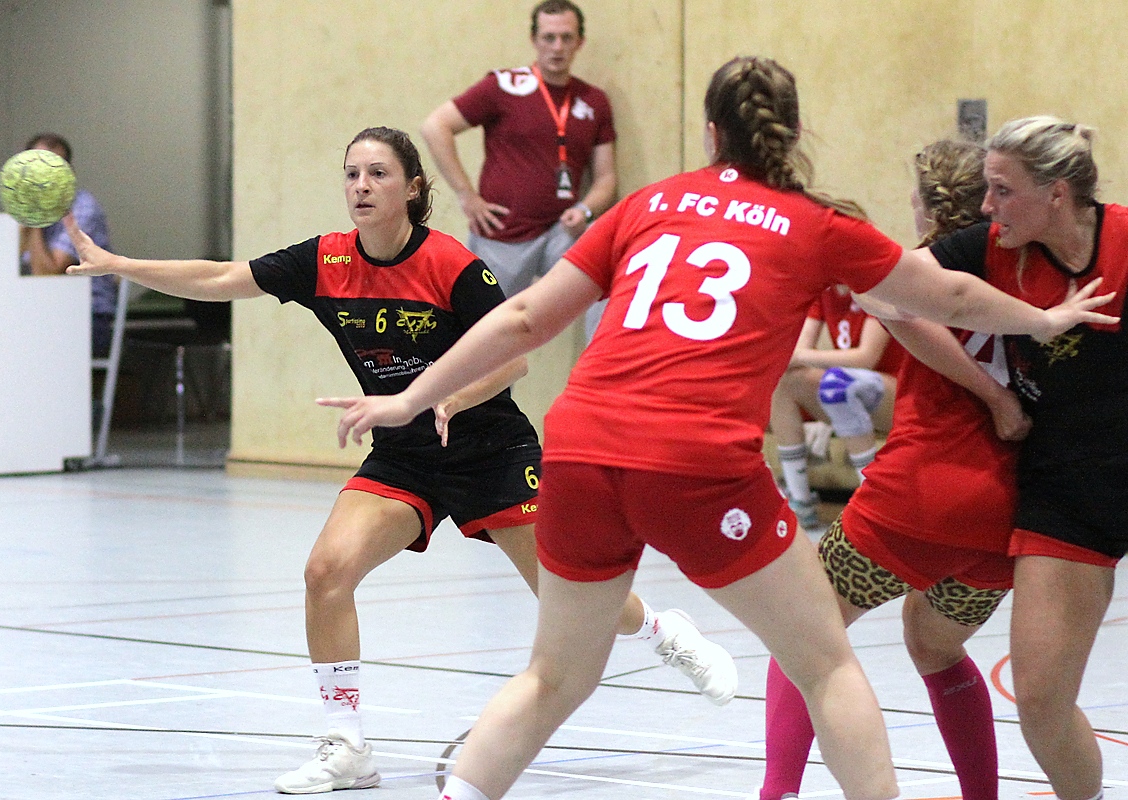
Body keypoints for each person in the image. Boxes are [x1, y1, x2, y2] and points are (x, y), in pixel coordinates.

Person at [322, 60, 1114, 800]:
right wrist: (1043, 320)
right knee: (827, 665)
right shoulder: (816, 223)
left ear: (709, 134)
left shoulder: (647, 204)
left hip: (582, 449)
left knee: (551, 678)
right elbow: (950, 298)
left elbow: (526, 316)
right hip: (695, 461)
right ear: (793, 134)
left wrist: (408, 398)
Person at [64, 125, 737, 795]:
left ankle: (663, 632)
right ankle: (346, 746)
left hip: (490, 452)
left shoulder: (452, 266)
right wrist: (122, 265)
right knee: (327, 572)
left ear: (412, 188)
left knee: (570, 597)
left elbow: (515, 361)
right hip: (405, 454)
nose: (361, 186)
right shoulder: (325, 260)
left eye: (378, 174)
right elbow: (220, 276)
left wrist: (448, 398)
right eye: (352, 174)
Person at [761, 139, 1023, 800]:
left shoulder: (917, 273)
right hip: (1006, 511)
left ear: (927, 205)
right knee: (935, 646)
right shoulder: (1026, 276)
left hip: (924, 492)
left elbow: (885, 301)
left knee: (802, 630)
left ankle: (777, 792)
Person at [902, 116, 1126, 800]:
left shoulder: (1123, 240)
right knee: (1039, 700)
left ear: (1056, 194)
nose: (985, 205)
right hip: (1068, 492)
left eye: (1002, 190)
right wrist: (994, 393)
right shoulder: (989, 249)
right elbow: (885, 296)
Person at [421, 0, 615, 338]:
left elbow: (606, 178)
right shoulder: (504, 86)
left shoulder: (593, 101)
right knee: (485, 334)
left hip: (562, 232)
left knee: (609, 273)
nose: (557, 47)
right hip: (504, 234)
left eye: (566, 38)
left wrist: (585, 210)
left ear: (580, 42)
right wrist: (467, 197)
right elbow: (436, 126)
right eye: (549, 37)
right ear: (534, 39)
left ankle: (604, 367)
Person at [769, 283, 904, 526]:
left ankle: (876, 505)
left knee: (838, 384)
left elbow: (866, 358)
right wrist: (793, 357)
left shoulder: (875, 286)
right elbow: (798, 349)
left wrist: (799, 356)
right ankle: (800, 501)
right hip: (850, 383)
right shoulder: (824, 292)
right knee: (783, 379)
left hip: (897, 393)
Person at [19, 133, 117, 359]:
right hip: (42, 310)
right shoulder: (22, 203)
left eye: (54, 166)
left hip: (88, 316)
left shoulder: (83, 208)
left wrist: (33, 218)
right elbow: (3, 268)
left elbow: (48, 275)